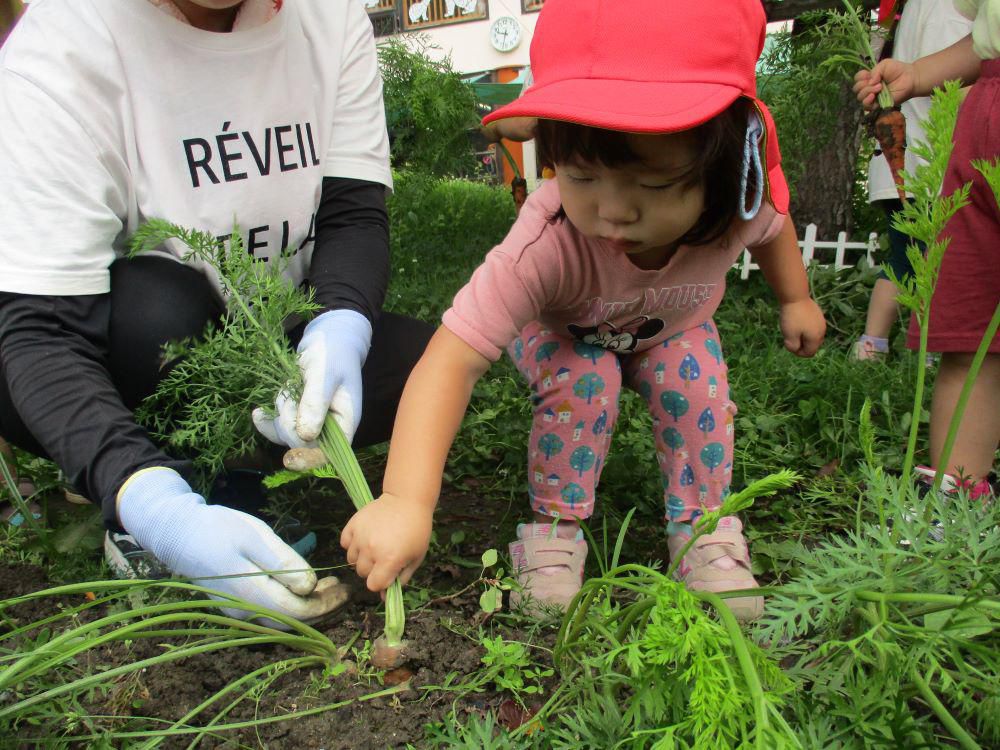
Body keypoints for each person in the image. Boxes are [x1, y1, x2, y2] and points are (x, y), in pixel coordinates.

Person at [340, 0, 827, 621]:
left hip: (671, 330)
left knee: (694, 383)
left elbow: (774, 229)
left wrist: (797, 298)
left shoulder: (739, 202)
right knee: (585, 377)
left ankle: (703, 529)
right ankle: (553, 533)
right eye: (581, 176)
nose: (614, 212)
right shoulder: (546, 246)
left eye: (653, 186)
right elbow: (450, 360)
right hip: (565, 330)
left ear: (730, 157)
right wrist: (407, 499)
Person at [0, 0, 434, 623]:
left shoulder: (329, 18)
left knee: (419, 366)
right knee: (159, 310)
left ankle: (238, 485)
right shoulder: (62, 51)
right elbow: (41, 334)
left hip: (263, 349)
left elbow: (353, 215)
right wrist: (158, 511)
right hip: (117, 350)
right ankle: (143, 490)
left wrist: (340, 322)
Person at [855, 0, 998, 498]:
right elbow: (985, 42)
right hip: (983, 122)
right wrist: (918, 73)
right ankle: (957, 499)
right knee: (971, 339)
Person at [854, 0, 973, 361]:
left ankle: (873, 346)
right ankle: (931, 349)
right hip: (930, 167)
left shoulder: (920, 6)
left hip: (903, 165)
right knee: (934, 263)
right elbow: (957, 86)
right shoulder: (951, 10)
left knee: (905, 261)